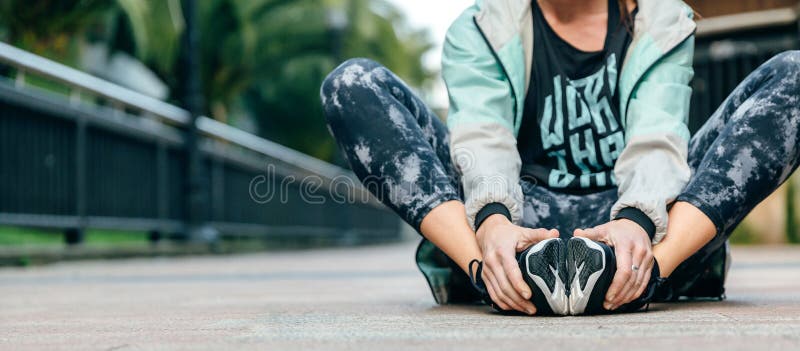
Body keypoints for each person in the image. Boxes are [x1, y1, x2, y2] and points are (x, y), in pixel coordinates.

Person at [320, 0, 800, 315]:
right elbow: (483, 137)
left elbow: (659, 137)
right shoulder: (482, 28)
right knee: (352, 84)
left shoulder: (661, 18)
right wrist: (492, 227)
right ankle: (490, 274)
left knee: (793, 75)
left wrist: (636, 222)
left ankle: (649, 275)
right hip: (519, 225)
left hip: (643, 231)